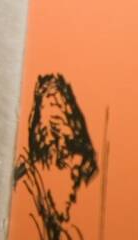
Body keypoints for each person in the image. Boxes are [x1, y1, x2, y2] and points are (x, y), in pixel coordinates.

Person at [12, 74, 98, 240]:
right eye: (74, 176)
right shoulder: (25, 205)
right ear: (54, 157)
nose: (74, 193)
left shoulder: (45, 216)